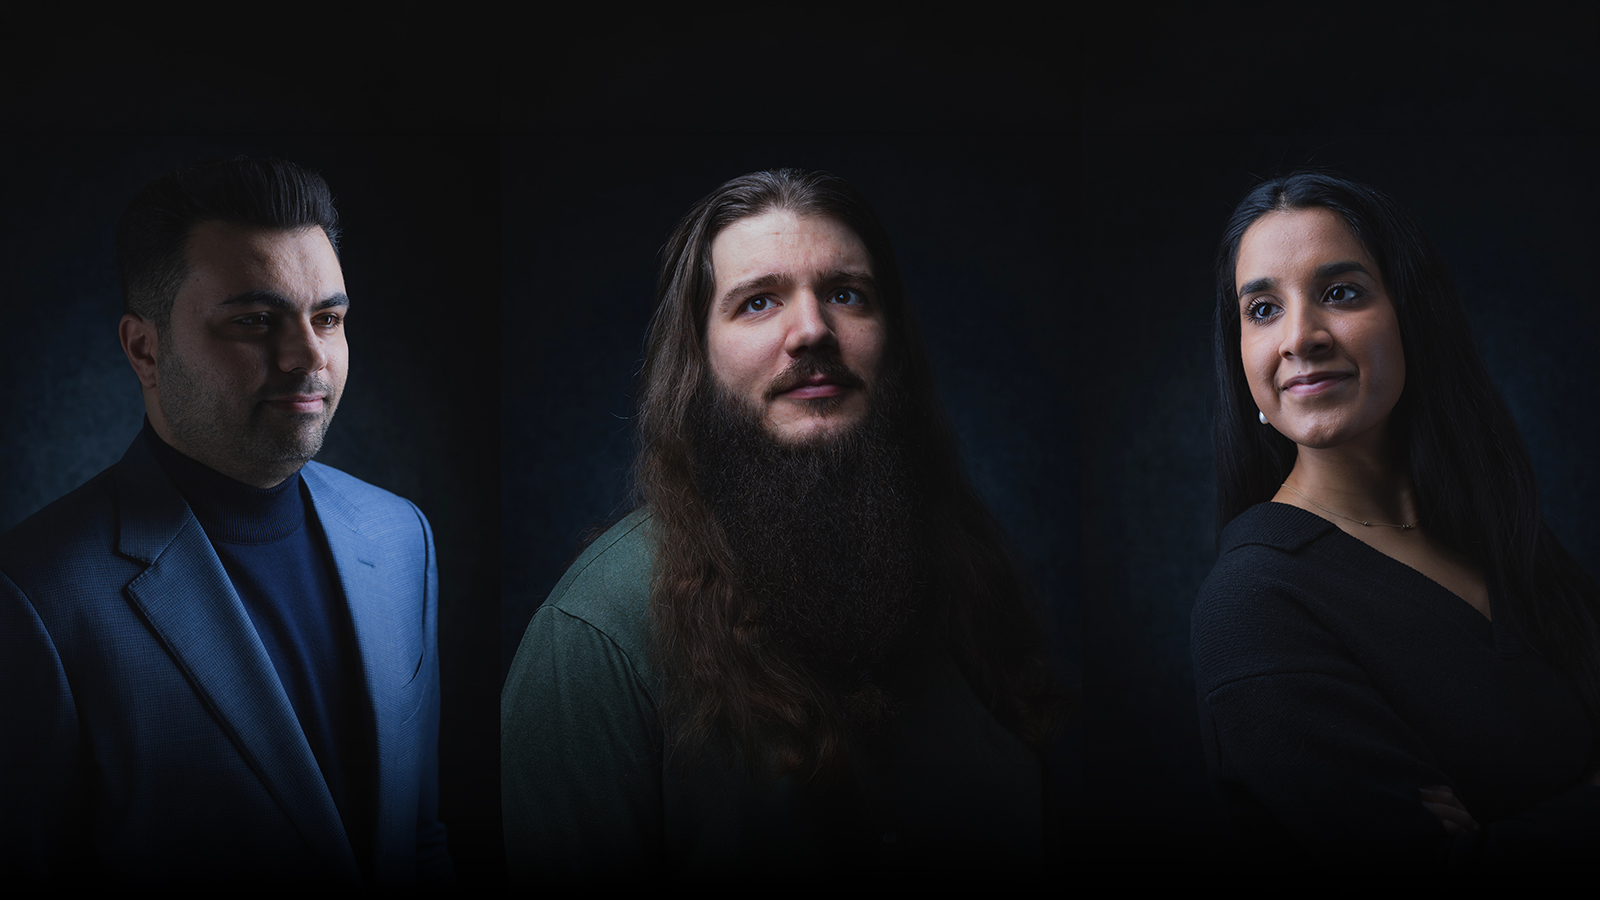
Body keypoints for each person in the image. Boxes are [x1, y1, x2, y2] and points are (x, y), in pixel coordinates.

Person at [502, 168, 1062, 885]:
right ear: (696, 362)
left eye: (845, 294)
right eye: (758, 302)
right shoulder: (593, 639)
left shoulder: (971, 572)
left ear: (891, 337)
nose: (812, 331)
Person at [0, 158, 451, 887]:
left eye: (327, 319)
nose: (309, 357)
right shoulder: (35, 599)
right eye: (254, 321)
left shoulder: (403, 540)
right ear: (144, 349)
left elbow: (421, 833)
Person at [1191, 170, 1600, 868]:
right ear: (1244, 363)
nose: (1301, 337)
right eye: (1262, 309)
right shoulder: (1254, 605)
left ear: (1413, 316)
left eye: (1340, 293)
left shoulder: (1498, 534)